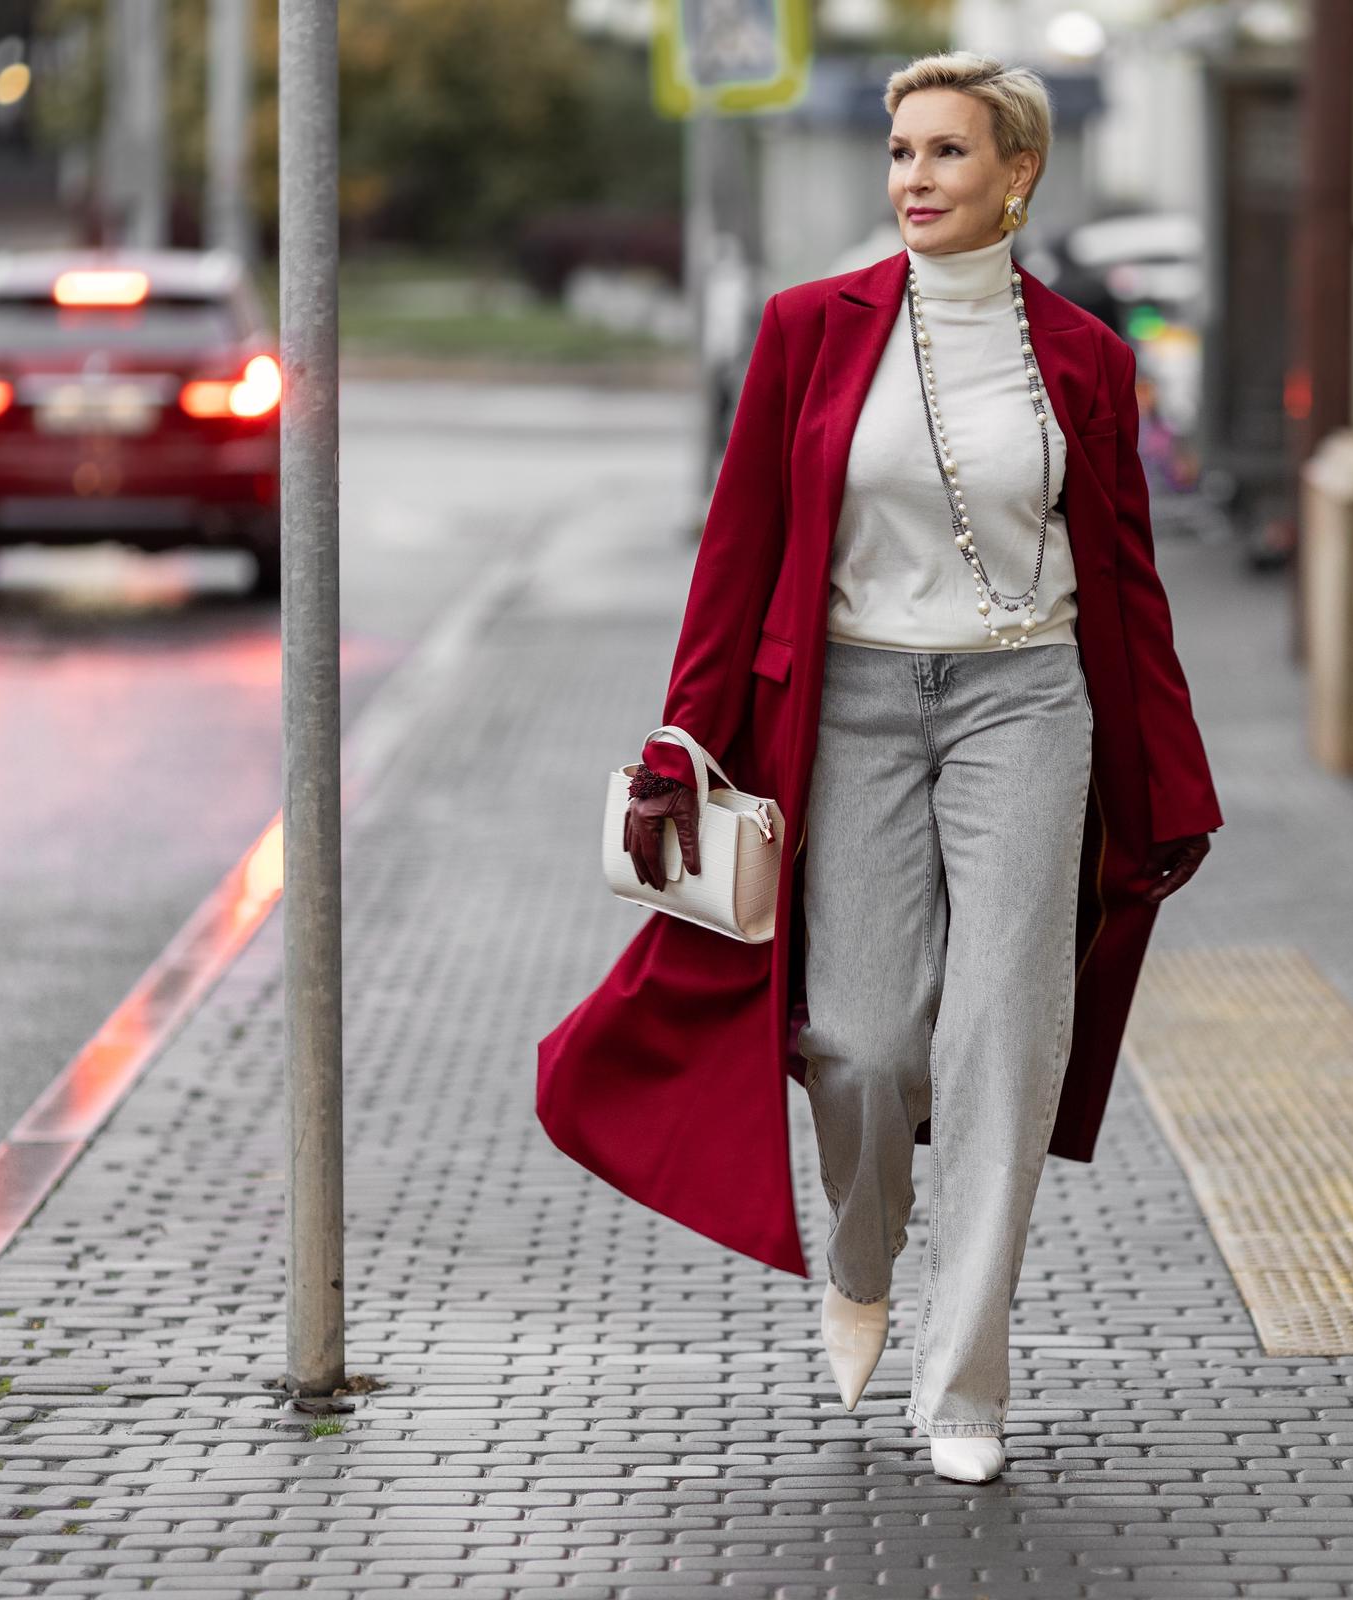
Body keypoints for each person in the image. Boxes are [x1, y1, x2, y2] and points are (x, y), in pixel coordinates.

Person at [534, 51, 1222, 1485]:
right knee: (858, 1041)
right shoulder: (809, 330)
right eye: (902, 153)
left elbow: (1127, 581)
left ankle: (965, 1380)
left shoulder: (1085, 357)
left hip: (1026, 707)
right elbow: (737, 555)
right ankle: (862, 1255)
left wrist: (1168, 777)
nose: (913, 179)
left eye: (947, 155)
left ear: (1018, 174)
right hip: (847, 706)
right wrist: (680, 737)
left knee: (1000, 1043)